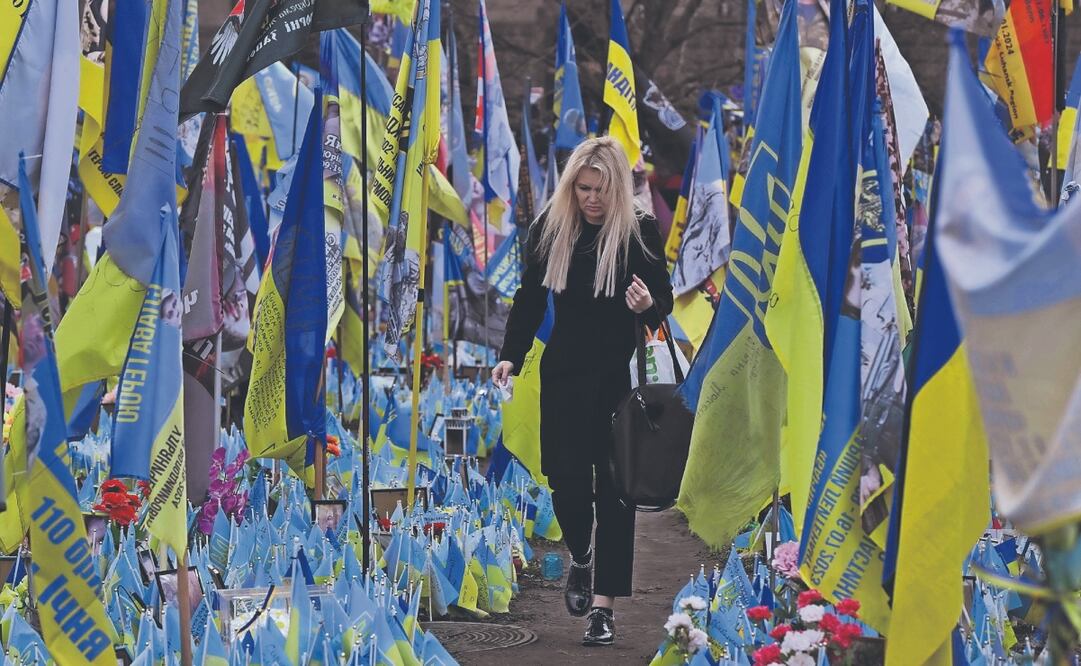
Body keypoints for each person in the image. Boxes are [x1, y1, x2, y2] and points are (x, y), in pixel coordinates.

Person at [492, 137, 673, 647]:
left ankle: (604, 608)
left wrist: (645, 305)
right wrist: (511, 354)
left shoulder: (638, 232)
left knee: (615, 494)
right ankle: (582, 557)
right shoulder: (553, 228)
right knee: (567, 482)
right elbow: (529, 299)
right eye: (583, 188)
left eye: (600, 189)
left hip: (618, 382)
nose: (591, 198)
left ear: (617, 188)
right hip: (564, 378)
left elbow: (663, 300)